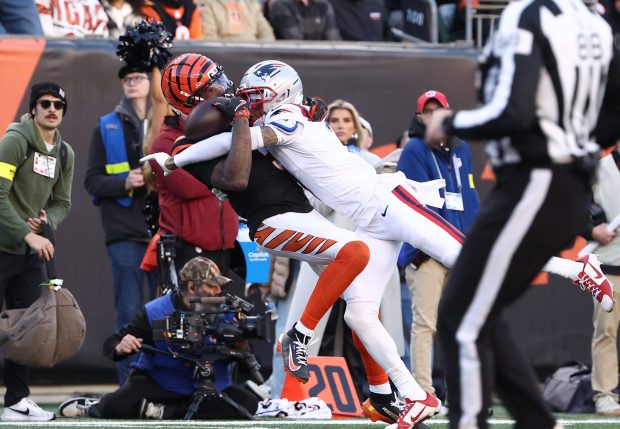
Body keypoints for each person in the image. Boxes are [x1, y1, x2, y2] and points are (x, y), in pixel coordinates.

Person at [148, 59, 618, 429]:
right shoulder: (279, 120)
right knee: (358, 312)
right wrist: (176, 159)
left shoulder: (285, 121)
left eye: (259, 93)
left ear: (279, 96)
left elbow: (238, 143)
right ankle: (413, 395)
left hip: (387, 203)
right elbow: (230, 145)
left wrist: (177, 157)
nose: (248, 98)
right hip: (369, 219)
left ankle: (578, 269)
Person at [148, 54, 412, 424]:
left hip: (303, 214)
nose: (223, 85)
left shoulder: (232, 112)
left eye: (219, 75)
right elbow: (237, 178)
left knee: (363, 307)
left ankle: (382, 393)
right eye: (210, 86)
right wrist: (241, 118)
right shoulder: (184, 142)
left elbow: (282, 132)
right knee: (356, 252)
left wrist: (306, 114)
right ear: (192, 101)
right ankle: (297, 338)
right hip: (271, 221)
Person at [423, 0, 619, 425]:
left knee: (462, 313)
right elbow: (612, 115)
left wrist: (451, 123)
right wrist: (574, 145)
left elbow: (513, 110)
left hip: (534, 183)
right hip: (564, 187)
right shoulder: (597, 24)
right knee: (479, 310)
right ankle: (536, 421)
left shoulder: (528, 14)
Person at [58, 256, 259, 419]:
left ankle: (165, 412)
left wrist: (244, 348)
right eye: (212, 286)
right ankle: (93, 406)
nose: (219, 291)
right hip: (162, 382)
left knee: (249, 404)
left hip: (211, 386)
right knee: (115, 407)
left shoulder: (227, 310)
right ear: (191, 287)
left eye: (220, 286)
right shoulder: (156, 311)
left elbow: (246, 367)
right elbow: (112, 343)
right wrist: (122, 346)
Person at [396, 90, 480, 396]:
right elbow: (414, 205)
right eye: (427, 111)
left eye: (439, 110)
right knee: (426, 324)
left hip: (460, 250)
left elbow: (469, 198)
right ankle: (423, 392)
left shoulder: (462, 148)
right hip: (428, 252)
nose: (434, 116)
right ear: (419, 117)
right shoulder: (414, 150)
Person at [0, 82, 74, 422]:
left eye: (58, 105)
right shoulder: (15, 140)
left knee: (25, 328)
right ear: (33, 108)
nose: (52, 109)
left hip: (28, 256)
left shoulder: (64, 153)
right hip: (3, 246)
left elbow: (62, 202)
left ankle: (16, 401)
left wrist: (49, 221)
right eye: (44, 103)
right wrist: (26, 235)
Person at [85, 64, 158, 385]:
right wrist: (124, 181)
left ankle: (161, 380)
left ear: (149, 82)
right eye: (126, 79)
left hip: (162, 231)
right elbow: (92, 181)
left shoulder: (165, 121)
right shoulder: (106, 126)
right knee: (129, 312)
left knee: (163, 312)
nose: (131, 83)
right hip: (124, 233)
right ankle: (129, 385)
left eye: (138, 77)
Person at [149, 54, 241, 280]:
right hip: (188, 247)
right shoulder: (165, 141)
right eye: (212, 88)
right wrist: (230, 167)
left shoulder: (223, 130)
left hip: (223, 244)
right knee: (190, 312)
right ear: (191, 100)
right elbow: (192, 187)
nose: (222, 90)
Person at [589, 142, 620, 416]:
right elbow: (579, 208)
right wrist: (593, 228)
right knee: (606, 332)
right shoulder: (599, 169)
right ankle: (605, 393)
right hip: (608, 266)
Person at [198, 0, 275, 40]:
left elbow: (266, 32)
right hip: (224, 55)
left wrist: (260, 52)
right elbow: (209, 36)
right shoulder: (210, 4)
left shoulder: (251, 4)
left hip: (253, 53)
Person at [267, 0, 341, 40]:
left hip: (324, 61)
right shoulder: (281, 5)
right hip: (294, 62)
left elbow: (333, 40)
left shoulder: (324, 5)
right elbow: (296, 43)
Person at [35, 0, 109, 37]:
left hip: (88, 59)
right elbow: (45, 37)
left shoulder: (94, 4)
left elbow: (101, 41)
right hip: (55, 59)